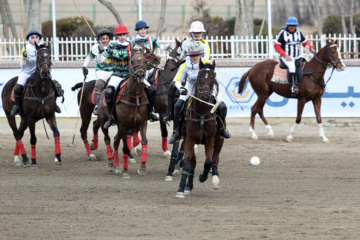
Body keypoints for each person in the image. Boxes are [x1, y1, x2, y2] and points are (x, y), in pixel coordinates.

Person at [168, 43, 231, 144]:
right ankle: (176, 132)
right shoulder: (185, 65)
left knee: (223, 106)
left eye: (197, 55)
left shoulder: (206, 63)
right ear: (189, 56)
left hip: (207, 87)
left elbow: (217, 80)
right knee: (178, 106)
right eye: (192, 55)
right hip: (190, 86)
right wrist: (182, 89)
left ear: (200, 55)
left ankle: (222, 129)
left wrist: (212, 77)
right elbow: (178, 81)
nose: (195, 57)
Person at [163, 20, 211, 122]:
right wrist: (180, 52)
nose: (197, 34)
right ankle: (170, 114)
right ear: (191, 33)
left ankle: (221, 125)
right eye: (195, 32)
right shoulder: (186, 43)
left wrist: (198, 63)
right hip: (187, 68)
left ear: (202, 33)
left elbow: (206, 57)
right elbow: (181, 56)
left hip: (201, 69)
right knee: (172, 87)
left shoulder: (205, 44)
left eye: (198, 32)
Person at [11, 30, 62, 116]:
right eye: (32, 37)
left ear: (39, 39)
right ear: (29, 39)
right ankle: (17, 106)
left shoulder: (42, 48)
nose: (35, 39)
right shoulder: (26, 48)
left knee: (54, 85)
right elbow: (22, 65)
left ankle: (54, 103)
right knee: (18, 88)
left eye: (36, 37)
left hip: (39, 73)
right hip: (26, 72)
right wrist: (24, 57)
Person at [274, 16, 316, 96]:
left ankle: (301, 85)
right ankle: (293, 86)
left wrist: (311, 48)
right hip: (287, 57)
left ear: (296, 26)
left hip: (297, 56)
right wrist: (285, 55)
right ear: (287, 25)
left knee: (304, 68)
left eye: (293, 26)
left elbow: (305, 42)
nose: (292, 27)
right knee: (292, 67)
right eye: (290, 26)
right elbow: (276, 45)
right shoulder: (283, 33)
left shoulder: (298, 33)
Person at [82, 29, 114, 115]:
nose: (105, 40)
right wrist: (84, 66)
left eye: (107, 38)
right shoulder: (96, 48)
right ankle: (96, 105)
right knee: (99, 84)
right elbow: (90, 57)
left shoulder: (113, 47)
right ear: (100, 39)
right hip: (101, 71)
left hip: (113, 71)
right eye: (103, 39)